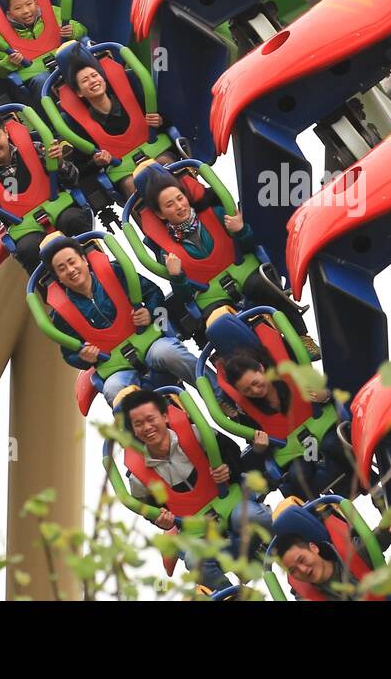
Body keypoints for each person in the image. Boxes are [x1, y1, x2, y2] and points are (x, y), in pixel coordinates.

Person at [141, 174, 320, 358]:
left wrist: (242, 231)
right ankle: (255, 360)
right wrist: (176, 277)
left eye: (180, 198)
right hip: (212, 296)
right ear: (161, 214)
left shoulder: (217, 214)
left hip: (244, 273)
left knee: (263, 286)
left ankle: (302, 336)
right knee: (218, 323)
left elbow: (250, 245)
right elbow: (185, 297)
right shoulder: (167, 253)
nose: (179, 206)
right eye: (170, 205)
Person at [121, 389, 273, 592]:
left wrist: (228, 469)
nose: (147, 427)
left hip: (228, 501)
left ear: (165, 416)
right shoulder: (138, 477)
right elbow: (150, 508)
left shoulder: (195, 432)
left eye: (151, 419)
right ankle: (231, 594)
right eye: (138, 424)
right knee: (194, 561)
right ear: (133, 431)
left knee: (254, 517)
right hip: (196, 526)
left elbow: (232, 452)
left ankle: (257, 549)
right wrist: (161, 520)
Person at [43, 236, 206, 407]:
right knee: (113, 390)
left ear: (84, 260)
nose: (70, 270)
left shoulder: (113, 272)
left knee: (170, 353)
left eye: (72, 262)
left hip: (149, 343)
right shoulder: (62, 313)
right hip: (117, 366)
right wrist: (83, 357)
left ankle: (219, 394)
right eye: (62, 269)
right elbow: (69, 354)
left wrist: (150, 313)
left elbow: (153, 293)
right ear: (59, 278)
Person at [0, 108, 91, 271]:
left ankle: (97, 265)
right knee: (28, 250)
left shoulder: (34, 149)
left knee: (73, 220)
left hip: (57, 207)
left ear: (5, 132)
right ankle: (49, 291)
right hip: (25, 228)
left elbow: (73, 180)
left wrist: (60, 162)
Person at [217, 345, 352, 498]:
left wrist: (325, 395)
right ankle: (324, 515)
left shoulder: (289, 376)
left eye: (255, 383)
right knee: (297, 476)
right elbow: (257, 444)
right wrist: (260, 448)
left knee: (333, 445)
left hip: (324, 429)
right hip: (295, 451)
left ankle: (372, 486)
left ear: (261, 369)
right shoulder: (246, 409)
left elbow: (334, 392)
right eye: (247, 390)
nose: (255, 391)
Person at [58, 47, 176, 200]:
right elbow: (81, 168)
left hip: (156, 151)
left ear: (103, 78)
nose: (93, 81)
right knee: (130, 184)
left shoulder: (130, 93)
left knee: (164, 163)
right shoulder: (79, 124)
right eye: (85, 80)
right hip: (124, 171)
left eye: (95, 75)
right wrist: (96, 162)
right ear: (79, 92)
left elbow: (168, 120)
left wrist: (160, 121)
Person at [0, 0, 79, 106]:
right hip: (34, 74)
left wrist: (73, 31)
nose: (25, 11)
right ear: (9, 14)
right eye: (18, 8)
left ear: (36, 3)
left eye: (29, 4)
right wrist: (9, 62)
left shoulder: (52, 12)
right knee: (43, 82)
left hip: (63, 60)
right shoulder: (1, 36)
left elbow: (81, 29)